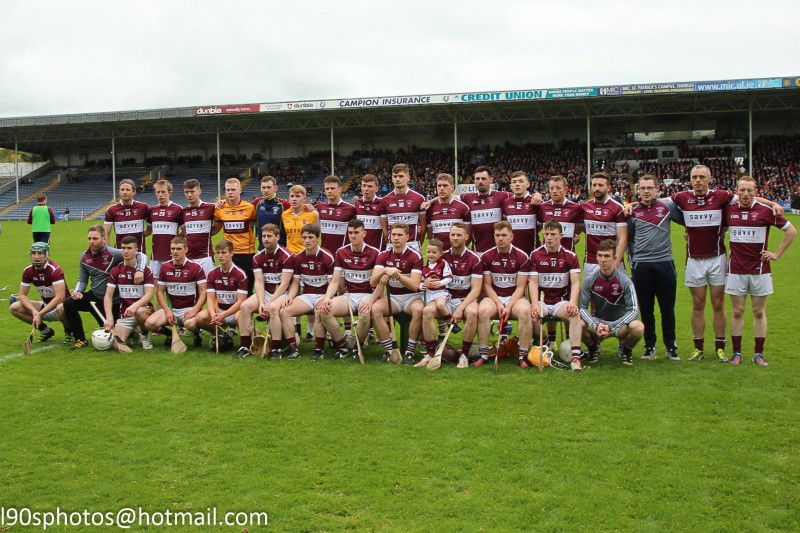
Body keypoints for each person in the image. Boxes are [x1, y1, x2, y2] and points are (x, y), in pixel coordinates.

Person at [724, 176, 796, 366]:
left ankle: (758, 354)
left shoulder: (766, 211)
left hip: (760, 270)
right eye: (742, 190)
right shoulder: (729, 210)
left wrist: (777, 254)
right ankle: (737, 353)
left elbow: (791, 231)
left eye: (749, 190)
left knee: (758, 311)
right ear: (736, 191)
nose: (746, 194)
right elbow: (718, 229)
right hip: (736, 270)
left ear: (756, 191)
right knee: (737, 311)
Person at [59, 225, 147, 350]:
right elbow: (82, 279)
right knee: (69, 303)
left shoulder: (114, 254)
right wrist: (78, 292)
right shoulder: (84, 257)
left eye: (95, 238)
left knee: (111, 332)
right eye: (89, 238)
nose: (91, 242)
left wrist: (140, 270)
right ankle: (80, 339)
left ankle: (133, 331)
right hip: (95, 297)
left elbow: (141, 256)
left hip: (114, 301)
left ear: (104, 239)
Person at [627, 175, 682, 361]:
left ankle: (670, 346)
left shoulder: (667, 207)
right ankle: (649, 346)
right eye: (643, 188)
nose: (646, 191)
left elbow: (688, 220)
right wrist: (635, 260)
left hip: (664, 263)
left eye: (650, 187)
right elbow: (630, 238)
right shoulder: (633, 211)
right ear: (638, 190)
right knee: (646, 308)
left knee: (667, 309)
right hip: (642, 266)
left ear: (657, 189)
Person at [313, 219, 381, 360]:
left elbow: (380, 283)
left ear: (364, 233)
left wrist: (371, 300)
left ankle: (357, 347)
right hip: (349, 296)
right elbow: (335, 281)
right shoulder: (341, 252)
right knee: (324, 311)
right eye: (350, 233)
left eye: (356, 232)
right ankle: (342, 346)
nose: (353, 236)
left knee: (364, 315)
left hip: (367, 295)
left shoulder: (375, 253)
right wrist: (327, 298)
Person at [421, 222, 482, 368]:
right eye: (452, 234)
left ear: (466, 237)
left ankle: (464, 355)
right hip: (445, 297)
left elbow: (476, 289)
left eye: (458, 235)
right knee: (427, 311)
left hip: (465, 299)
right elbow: (427, 273)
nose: (455, 238)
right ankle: (430, 353)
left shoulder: (474, 258)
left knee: (473, 312)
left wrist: (461, 308)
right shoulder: (441, 256)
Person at [473, 221, 533, 368]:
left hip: (515, 297)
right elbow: (487, 285)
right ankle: (484, 354)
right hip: (495, 297)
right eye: (497, 235)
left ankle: (523, 355)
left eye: (504, 235)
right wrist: (499, 304)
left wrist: (509, 305)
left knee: (525, 311)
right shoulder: (487, 256)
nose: (500, 238)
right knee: (483, 310)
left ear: (512, 236)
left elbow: (520, 287)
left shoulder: (522, 256)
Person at [528, 220, 583, 371]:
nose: (549, 237)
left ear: (561, 236)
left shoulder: (570, 256)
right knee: (532, 316)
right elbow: (532, 282)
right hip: (542, 300)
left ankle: (576, 358)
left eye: (553, 234)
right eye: (546, 234)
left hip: (560, 301)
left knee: (574, 314)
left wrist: (572, 302)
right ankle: (545, 341)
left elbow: (576, 282)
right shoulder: (535, 255)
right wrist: (534, 304)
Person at [579, 240, 644, 366]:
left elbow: (634, 310)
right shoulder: (589, 280)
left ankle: (626, 350)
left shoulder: (625, 281)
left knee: (638, 327)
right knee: (577, 324)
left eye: (607, 256)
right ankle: (593, 349)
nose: (603, 260)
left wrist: (612, 326)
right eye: (600, 256)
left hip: (620, 326)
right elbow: (582, 307)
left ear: (614, 258)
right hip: (597, 324)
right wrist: (596, 324)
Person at [277, 224, 335, 360]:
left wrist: (326, 298)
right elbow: (296, 283)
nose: (307, 241)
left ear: (318, 238)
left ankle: (318, 350)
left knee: (319, 311)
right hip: (307, 296)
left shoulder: (327, 256)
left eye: (310, 237)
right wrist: (290, 297)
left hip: (324, 295)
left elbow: (333, 283)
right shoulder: (298, 258)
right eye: (304, 238)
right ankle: (293, 348)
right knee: (284, 311)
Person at [370, 222, 425, 364]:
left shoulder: (415, 256)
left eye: (400, 235)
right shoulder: (383, 255)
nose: (396, 238)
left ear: (407, 237)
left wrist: (398, 276)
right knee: (375, 309)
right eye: (393, 235)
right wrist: (385, 271)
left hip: (412, 297)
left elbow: (414, 285)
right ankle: (390, 351)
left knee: (419, 310)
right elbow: (373, 282)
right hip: (393, 297)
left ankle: (409, 352)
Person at [238, 224, 294, 360]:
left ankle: (276, 349)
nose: (266, 239)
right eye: (263, 236)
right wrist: (261, 302)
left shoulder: (287, 256)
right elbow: (259, 282)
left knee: (274, 309)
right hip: (265, 292)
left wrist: (268, 303)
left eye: (269, 236)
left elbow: (285, 283)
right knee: (244, 307)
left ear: (277, 237)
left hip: (283, 293)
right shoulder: (257, 257)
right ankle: (245, 346)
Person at [144, 236, 207, 348]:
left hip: (189, 309)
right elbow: (159, 292)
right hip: (171, 309)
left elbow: (204, 291)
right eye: (173, 249)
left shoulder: (196, 267)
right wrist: (167, 310)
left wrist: (195, 310)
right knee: (149, 324)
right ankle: (169, 334)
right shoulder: (164, 267)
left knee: (190, 324)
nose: (175, 252)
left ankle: (197, 335)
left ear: (186, 249)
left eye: (178, 249)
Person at [193, 240, 249, 357]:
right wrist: (213, 313)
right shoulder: (213, 274)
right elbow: (209, 298)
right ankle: (220, 334)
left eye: (224, 252)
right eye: (218, 253)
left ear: (232, 253)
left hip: (235, 311)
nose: (220, 256)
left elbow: (241, 301)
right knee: (200, 317)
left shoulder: (240, 274)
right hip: (220, 311)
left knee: (241, 317)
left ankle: (250, 337)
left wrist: (225, 315)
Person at [102, 236, 155, 351]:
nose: (126, 251)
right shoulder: (116, 270)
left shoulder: (146, 270)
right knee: (116, 345)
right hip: (125, 314)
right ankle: (134, 333)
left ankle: (145, 335)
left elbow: (149, 295)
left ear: (136, 250)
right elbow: (108, 296)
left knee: (140, 311)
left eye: (129, 248)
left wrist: (135, 306)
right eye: (123, 248)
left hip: (143, 311)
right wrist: (109, 317)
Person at [10, 242, 69, 343]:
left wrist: (40, 314)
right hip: (46, 305)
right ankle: (46, 331)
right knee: (14, 307)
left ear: (47, 255)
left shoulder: (54, 270)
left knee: (61, 307)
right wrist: (33, 311)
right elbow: (22, 295)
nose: (36, 256)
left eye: (40, 253)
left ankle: (69, 331)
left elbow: (60, 297)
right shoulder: (28, 271)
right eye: (33, 253)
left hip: (62, 307)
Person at [579, 172, 627, 278]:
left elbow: (623, 239)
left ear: (608, 187)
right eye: (594, 185)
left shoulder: (617, 208)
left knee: (616, 293)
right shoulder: (584, 207)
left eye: (600, 185)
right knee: (591, 293)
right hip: (591, 261)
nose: (597, 188)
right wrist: (575, 235)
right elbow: (578, 227)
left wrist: (615, 264)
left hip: (612, 260)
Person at [215, 177, 257, 292]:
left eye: (233, 189)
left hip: (246, 253)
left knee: (247, 286)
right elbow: (216, 229)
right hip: (229, 253)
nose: (230, 192)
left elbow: (258, 224)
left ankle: (247, 309)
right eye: (227, 190)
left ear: (240, 190)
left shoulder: (249, 208)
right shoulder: (220, 208)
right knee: (230, 286)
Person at [461, 166, 514, 255]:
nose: (480, 181)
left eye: (483, 178)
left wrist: (537, 195)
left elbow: (521, 195)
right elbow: (449, 197)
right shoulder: (467, 197)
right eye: (477, 179)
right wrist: (431, 201)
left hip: (498, 252)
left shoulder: (502, 196)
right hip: (478, 252)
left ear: (491, 180)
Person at [380, 164, 427, 253]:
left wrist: (418, 243)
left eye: (401, 176)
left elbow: (423, 226)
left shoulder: (419, 199)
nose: (397, 179)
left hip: (413, 244)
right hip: (392, 245)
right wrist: (389, 241)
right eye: (395, 176)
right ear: (392, 178)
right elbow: (385, 228)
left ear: (408, 178)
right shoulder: (385, 200)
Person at [181, 178, 220, 275]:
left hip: (206, 257)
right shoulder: (183, 211)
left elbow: (217, 227)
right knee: (191, 287)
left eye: (192, 191)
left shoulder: (210, 208)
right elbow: (184, 231)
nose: (189, 195)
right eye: (186, 192)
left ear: (199, 191)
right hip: (188, 257)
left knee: (208, 287)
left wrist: (206, 234)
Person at [148, 179, 184, 280]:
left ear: (170, 193)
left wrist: (177, 236)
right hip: (156, 255)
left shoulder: (178, 209)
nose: (160, 194)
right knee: (155, 285)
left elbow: (185, 232)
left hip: (173, 255)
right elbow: (148, 230)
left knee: (172, 285)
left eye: (163, 192)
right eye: (158, 192)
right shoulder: (152, 210)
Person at [425, 173, 470, 250]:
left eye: (445, 185)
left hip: (456, 254)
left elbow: (468, 234)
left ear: (452, 188)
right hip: (439, 254)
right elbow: (430, 236)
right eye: (439, 186)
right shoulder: (430, 209)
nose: (441, 188)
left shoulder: (463, 207)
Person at [105, 178, 151, 253]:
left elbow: (150, 230)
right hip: (120, 253)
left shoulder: (143, 207)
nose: (125, 192)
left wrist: (138, 236)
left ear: (134, 192)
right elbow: (106, 234)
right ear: (119, 192)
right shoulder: (111, 210)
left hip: (139, 252)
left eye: (128, 190)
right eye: (122, 190)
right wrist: (107, 252)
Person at [538, 175, 583, 251]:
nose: (554, 191)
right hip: (547, 255)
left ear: (566, 190)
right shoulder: (542, 207)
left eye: (558, 188)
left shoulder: (576, 208)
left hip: (568, 255)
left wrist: (574, 236)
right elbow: (537, 227)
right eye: (551, 188)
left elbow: (580, 227)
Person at [317, 175, 357, 254]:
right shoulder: (320, 207)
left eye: (332, 188)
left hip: (343, 254)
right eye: (327, 189)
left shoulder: (350, 209)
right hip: (324, 254)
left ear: (340, 190)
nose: (329, 191)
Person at [502, 171, 539, 255]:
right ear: (511, 186)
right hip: (511, 253)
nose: (517, 184)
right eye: (514, 182)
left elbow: (540, 225)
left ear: (528, 184)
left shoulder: (535, 201)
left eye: (521, 181)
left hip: (532, 252)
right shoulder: (506, 203)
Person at [252, 175, 290, 249]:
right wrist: (224, 202)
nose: (266, 190)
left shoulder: (284, 204)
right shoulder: (257, 203)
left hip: (280, 248)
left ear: (276, 188)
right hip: (262, 248)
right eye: (263, 187)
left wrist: (306, 207)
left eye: (269, 187)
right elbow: (242, 209)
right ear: (260, 189)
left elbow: (298, 211)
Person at [354, 174, 384, 249]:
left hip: (378, 248)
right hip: (360, 249)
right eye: (364, 186)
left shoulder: (382, 203)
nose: (366, 189)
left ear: (376, 189)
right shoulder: (357, 204)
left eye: (370, 186)